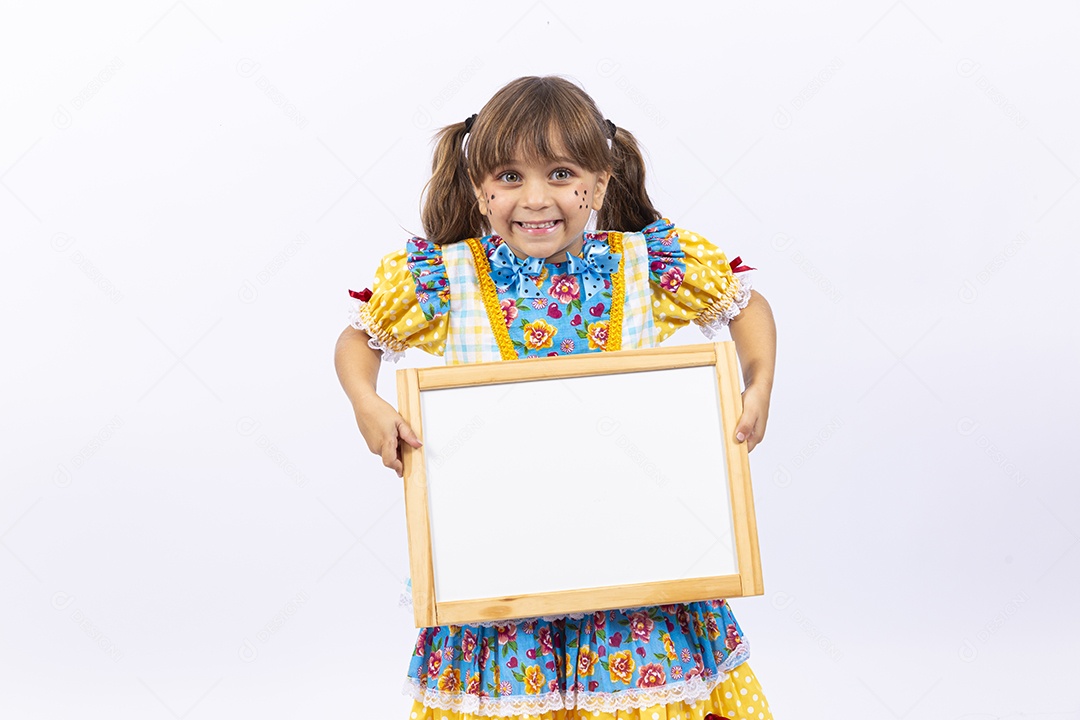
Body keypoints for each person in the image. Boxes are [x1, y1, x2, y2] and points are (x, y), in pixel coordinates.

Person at [334, 76, 777, 720]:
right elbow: (357, 343)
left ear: (600, 182)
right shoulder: (445, 279)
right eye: (509, 176)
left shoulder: (644, 267)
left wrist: (756, 383)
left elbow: (747, 306)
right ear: (480, 190)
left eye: (561, 173)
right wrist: (365, 403)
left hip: (637, 580)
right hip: (500, 583)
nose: (535, 198)